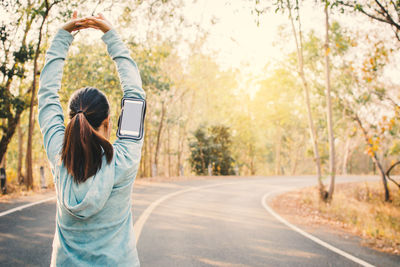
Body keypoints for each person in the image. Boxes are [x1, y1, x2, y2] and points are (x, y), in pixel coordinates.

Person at [38, 11, 145, 266]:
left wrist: (62, 37)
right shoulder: (124, 159)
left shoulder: (59, 155)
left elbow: (46, 95)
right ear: (107, 122)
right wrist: (111, 35)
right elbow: (135, 94)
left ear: (70, 122)